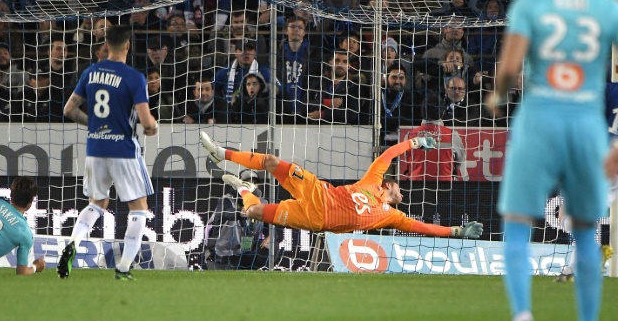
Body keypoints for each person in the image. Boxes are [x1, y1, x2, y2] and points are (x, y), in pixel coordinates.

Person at [485, 0, 618, 321]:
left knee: (517, 220)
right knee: (586, 228)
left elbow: (509, 69)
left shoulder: (530, 4)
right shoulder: (606, 8)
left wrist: (497, 96)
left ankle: (522, 315)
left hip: (538, 120)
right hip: (586, 125)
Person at [200, 132, 484, 239]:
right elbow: (387, 155)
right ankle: (222, 153)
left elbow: (422, 228)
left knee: (253, 212)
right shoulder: (372, 181)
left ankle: (243, 188)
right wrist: (415, 142)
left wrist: (455, 231)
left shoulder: (392, 216)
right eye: (399, 187)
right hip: (318, 192)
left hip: (315, 220)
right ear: (388, 184)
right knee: (272, 162)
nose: (402, 192)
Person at [56, 25, 158, 281]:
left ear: (106, 46)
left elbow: (69, 110)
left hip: (95, 148)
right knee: (139, 207)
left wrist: (93, 124)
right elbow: (146, 121)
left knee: (97, 203)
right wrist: (153, 126)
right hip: (123, 149)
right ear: (127, 46)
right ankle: (124, 268)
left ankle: (73, 242)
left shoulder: (90, 72)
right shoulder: (134, 77)